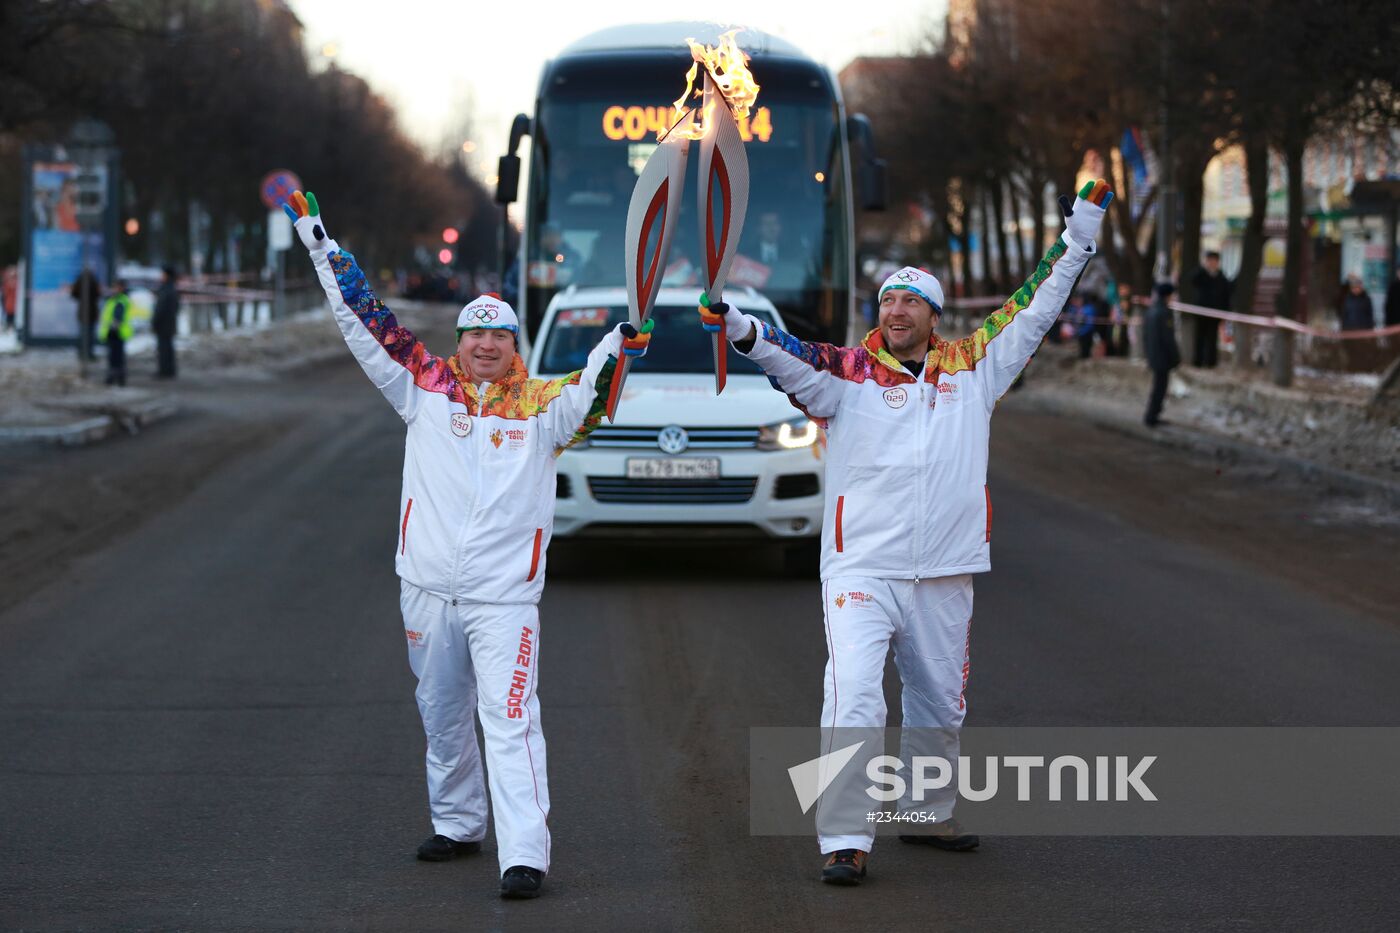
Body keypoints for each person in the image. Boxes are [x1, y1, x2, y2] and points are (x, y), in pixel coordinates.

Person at [700, 179, 1111, 885]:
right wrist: (741, 327)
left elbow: (1033, 307)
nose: (896, 310)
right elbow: (786, 352)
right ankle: (844, 838)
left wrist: (1077, 240)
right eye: (888, 300)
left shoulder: (974, 368)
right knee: (854, 695)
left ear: (933, 315)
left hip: (945, 568)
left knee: (939, 704)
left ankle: (926, 812)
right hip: (861, 565)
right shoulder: (847, 374)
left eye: (911, 301)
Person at [285, 190, 650, 900]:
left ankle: (525, 855)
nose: (486, 346)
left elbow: (593, 395)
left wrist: (618, 346)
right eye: (475, 335)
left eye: (499, 337)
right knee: (441, 710)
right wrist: (322, 246)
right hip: (426, 586)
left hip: (503, 597)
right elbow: (367, 322)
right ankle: (457, 823)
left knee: (510, 719)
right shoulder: (423, 386)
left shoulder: (542, 408)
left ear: (516, 346)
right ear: (460, 342)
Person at [1143, 282, 1181, 427]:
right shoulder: (1164, 313)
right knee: (1160, 388)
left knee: (1158, 387)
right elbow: (1168, 338)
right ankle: (1152, 416)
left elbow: (1145, 336)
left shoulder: (1151, 310)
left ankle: (1153, 415)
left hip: (1153, 355)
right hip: (1163, 357)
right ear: (1168, 295)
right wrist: (1176, 357)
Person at [1190, 251, 1231, 367]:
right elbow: (1192, 280)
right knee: (1199, 337)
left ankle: (1211, 362)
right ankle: (1197, 361)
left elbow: (1226, 296)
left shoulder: (1222, 277)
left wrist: (1225, 313)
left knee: (1212, 338)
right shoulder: (1201, 275)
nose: (1212, 263)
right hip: (1200, 312)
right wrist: (1203, 269)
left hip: (1215, 313)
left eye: (1214, 261)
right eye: (1209, 260)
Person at [98, 280, 132, 386]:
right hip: (116, 333)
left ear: (121, 288)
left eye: (116, 287)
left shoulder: (120, 301)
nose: (114, 289)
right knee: (116, 357)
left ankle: (116, 378)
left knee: (115, 358)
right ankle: (117, 378)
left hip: (116, 333)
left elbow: (117, 319)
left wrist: (113, 328)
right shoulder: (115, 300)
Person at [153, 265, 180, 379]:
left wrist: (155, 320)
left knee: (164, 348)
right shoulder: (172, 288)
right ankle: (169, 370)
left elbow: (161, 308)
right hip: (169, 323)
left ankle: (165, 371)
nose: (161, 276)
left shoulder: (166, 289)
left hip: (164, 324)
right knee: (168, 348)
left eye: (163, 274)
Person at [71, 268, 101, 360]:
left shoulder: (79, 281)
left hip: (83, 312)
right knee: (90, 334)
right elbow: (98, 294)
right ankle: (88, 353)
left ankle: (83, 353)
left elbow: (74, 294)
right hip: (91, 312)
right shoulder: (94, 281)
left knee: (83, 334)